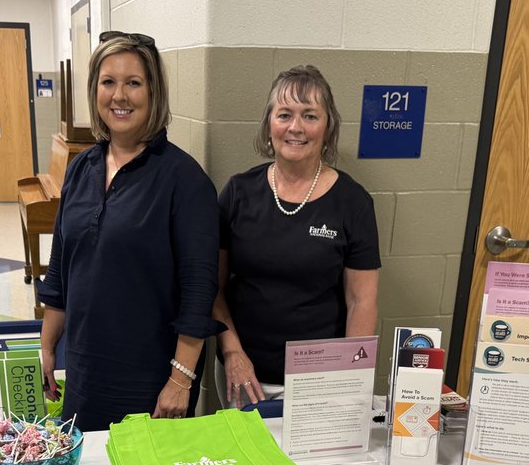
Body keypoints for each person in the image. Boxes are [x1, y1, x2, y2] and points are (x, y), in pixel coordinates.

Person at [37, 31, 220, 431]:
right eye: (109, 82)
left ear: (153, 93)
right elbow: (60, 268)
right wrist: (48, 346)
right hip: (86, 368)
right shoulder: (81, 169)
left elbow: (198, 292)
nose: (119, 96)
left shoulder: (184, 180)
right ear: (95, 90)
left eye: (133, 83)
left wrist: (180, 379)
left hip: (151, 377)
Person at [213, 65, 380, 406]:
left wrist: (347, 380)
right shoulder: (237, 193)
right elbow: (212, 289)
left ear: (327, 126)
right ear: (269, 123)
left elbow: (361, 301)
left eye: (310, 116)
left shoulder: (353, 202)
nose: (296, 128)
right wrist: (232, 352)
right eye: (285, 114)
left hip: (319, 381)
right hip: (242, 373)